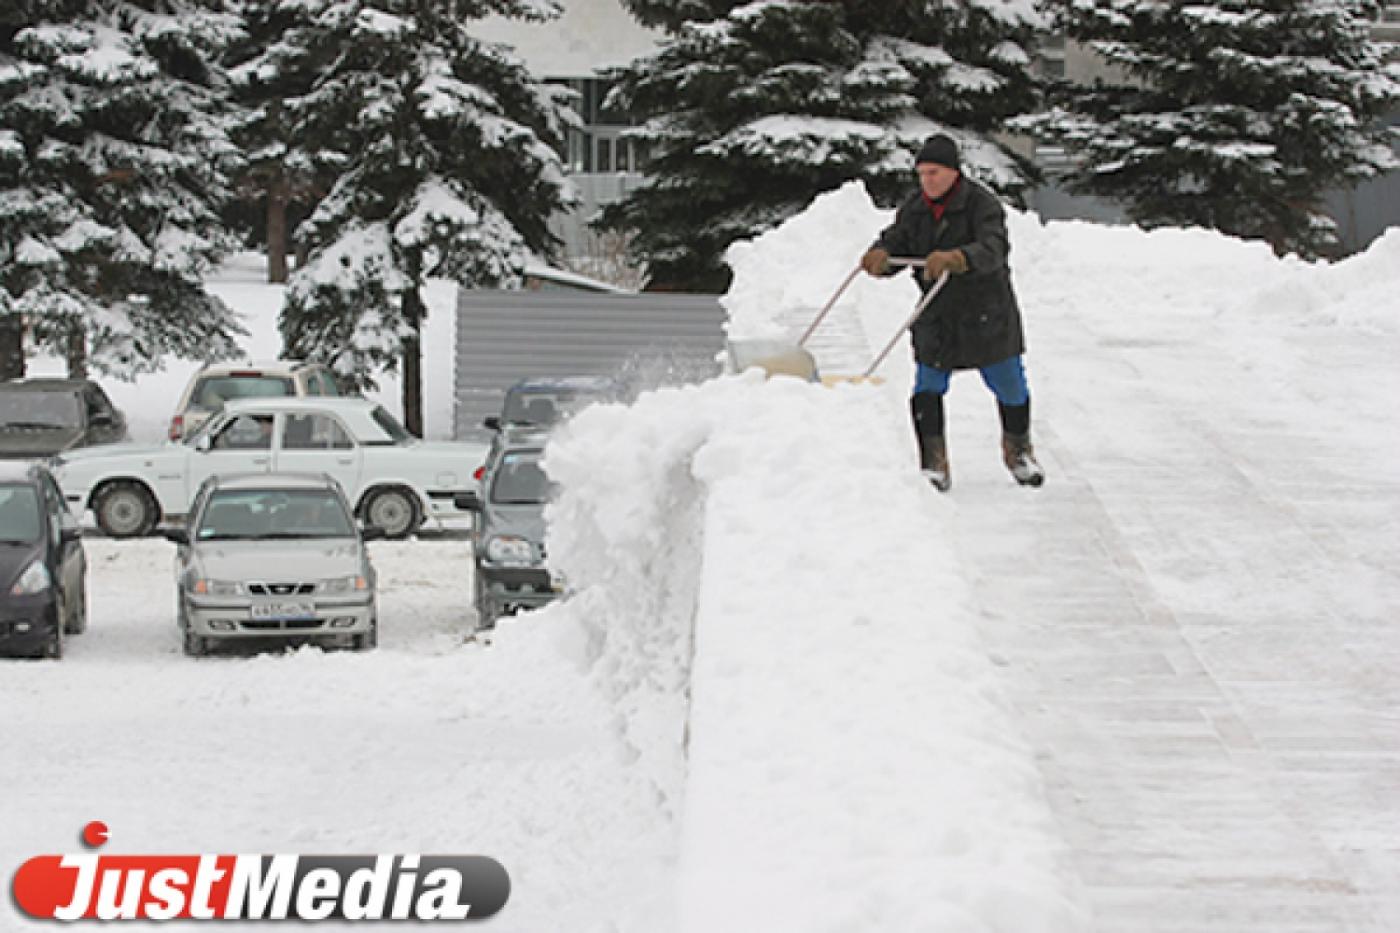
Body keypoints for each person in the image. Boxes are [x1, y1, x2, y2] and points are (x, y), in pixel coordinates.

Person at [861, 133, 1044, 491]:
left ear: (952, 173)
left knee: (1009, 384)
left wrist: (960, 259)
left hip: (985, 311)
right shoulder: (915, 207)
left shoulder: (982, 204)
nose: (926, 180)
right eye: (921, 173)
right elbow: (897, 238)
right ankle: (934, 463)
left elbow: (994, 247)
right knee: (927, 386)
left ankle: (1018, 451)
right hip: (937, 311)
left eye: (933, 173)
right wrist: (880, 254)